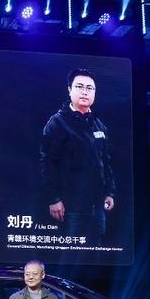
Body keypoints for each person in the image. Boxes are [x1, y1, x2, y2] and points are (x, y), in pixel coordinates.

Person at [40, 68, 117, 246]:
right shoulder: (57, 122)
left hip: (97, 206)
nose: (85, 92)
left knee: (96, 251)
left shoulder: (98, 125)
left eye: (90, 88)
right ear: (69, 90)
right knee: (71, 252)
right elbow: (48, 163)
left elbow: (105, 162)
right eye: (79, 86)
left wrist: (110, 192)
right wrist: (54, 199)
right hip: (70, 206)